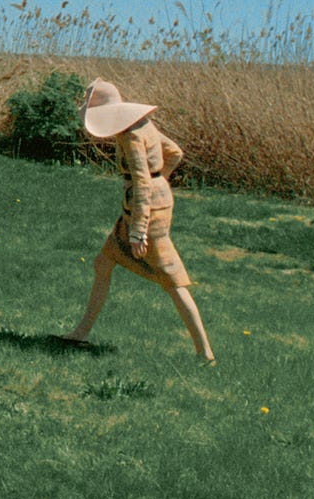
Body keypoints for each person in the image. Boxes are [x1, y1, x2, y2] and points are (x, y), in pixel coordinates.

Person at [55, 78, 215, 364]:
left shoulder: (130, 136)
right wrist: (162, 179)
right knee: (103, 262)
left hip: (146, 211)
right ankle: (81, 332)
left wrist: (138, 232)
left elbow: (142, 184)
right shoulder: (143, 124)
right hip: (145, 204)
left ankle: (205, 354)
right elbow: (175, 153)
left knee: (172, 279)